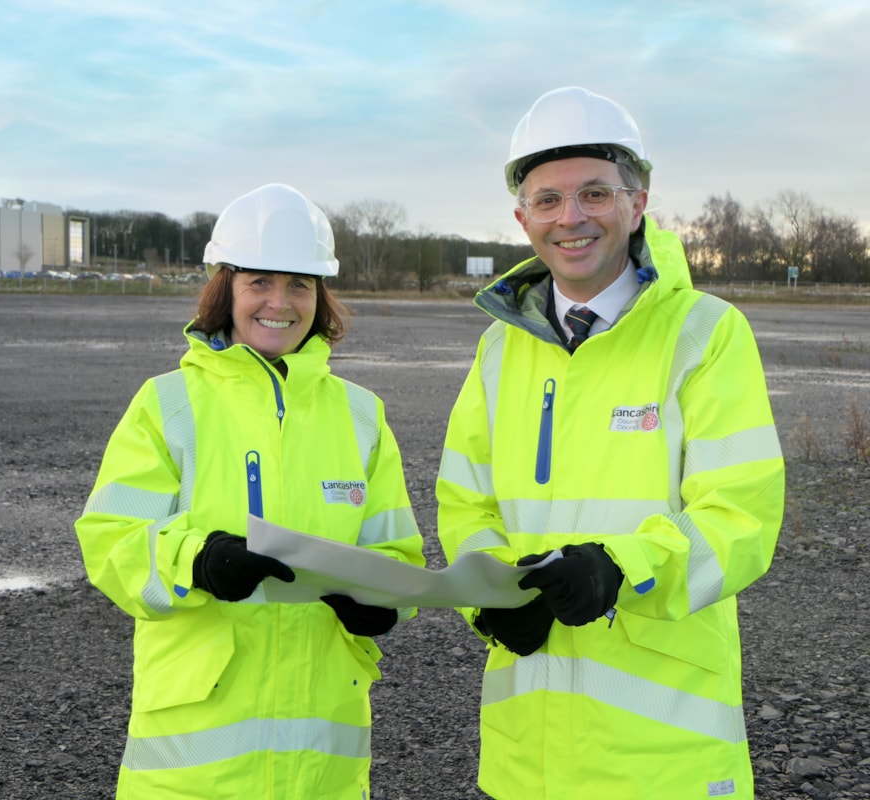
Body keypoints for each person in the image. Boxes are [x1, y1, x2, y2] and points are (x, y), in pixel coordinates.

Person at [436, 87, 784, 799]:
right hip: (526, 751)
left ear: (638, 201)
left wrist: (621, 569)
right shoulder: (499, 350)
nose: (571, 218)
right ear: (521, 218)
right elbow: (464, 504)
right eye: (548, 200)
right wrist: (489, 594)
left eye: (594, 192)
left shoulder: (706, 334)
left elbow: (740, 517)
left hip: (664, 759)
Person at [75, 183, 425, 799]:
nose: (279, 303)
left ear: (321, 296)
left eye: (299, 285)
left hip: (323, 764)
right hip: (193, 766)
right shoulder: (168, 405)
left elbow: (398, 556)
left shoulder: (362, 416)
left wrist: (384, 602)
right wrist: (198, 561)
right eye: (259, 282)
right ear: (225, 289)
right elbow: (110, 543)